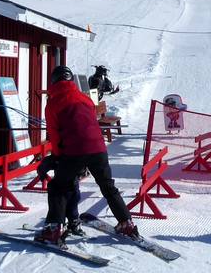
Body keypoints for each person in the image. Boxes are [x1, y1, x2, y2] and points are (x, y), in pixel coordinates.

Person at [35, 65, 139, 244]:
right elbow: (90, 123)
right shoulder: (85, 98)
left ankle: (53, 229)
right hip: (98, 149)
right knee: (108, 187)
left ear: (53, 81)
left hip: (74, 151)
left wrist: (57, 157)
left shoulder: (53, 103)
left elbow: (54, 134)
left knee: (58, 187)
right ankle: (126, 223)